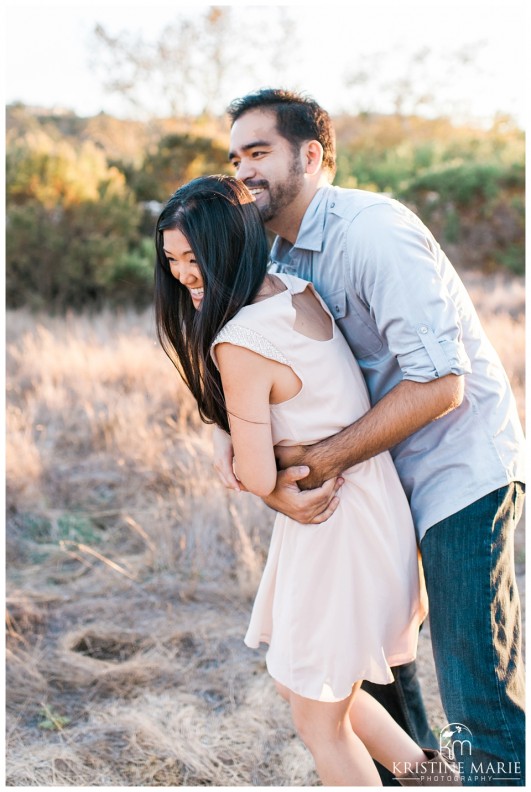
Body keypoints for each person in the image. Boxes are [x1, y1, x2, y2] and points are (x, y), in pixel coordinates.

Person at [212, 89, 526, 787]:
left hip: (456, 472)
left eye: (259, 152)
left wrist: (318, 463)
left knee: (474, 684)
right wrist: (230, 443)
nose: (245, 170)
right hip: (372, 485)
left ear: (312, 156)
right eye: (236, 157)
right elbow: (239, 356)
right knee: (374, 668)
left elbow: (439, 384)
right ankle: (426, 781)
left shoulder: (372, 233)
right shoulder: (268, 252)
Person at [154, 175, 461, 786]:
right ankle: (436, 782)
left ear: (232, 249)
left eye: (197, 259)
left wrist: (250, 460)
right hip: (368, 506)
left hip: (332, 522)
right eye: (172, 261)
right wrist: (247, 440)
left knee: (319, 721)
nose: (186, 276)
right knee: (324, 694)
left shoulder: (237, 341)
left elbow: (260, 472)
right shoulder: (295, 289)